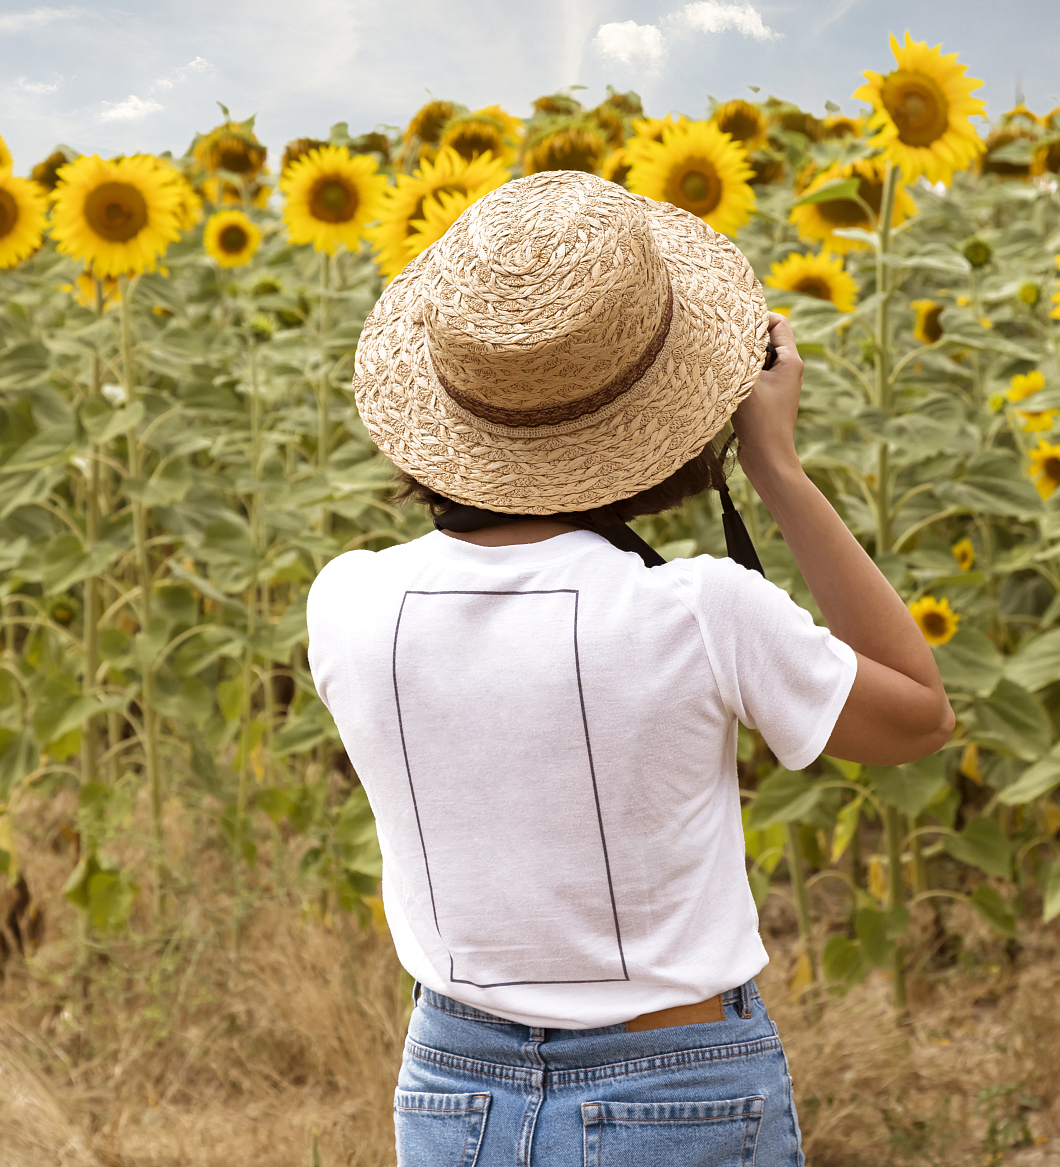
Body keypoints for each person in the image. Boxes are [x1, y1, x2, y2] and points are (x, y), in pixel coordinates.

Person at [308, 169, 954, 1166]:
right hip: (674, 1086)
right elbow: (915, 715)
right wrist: (774, 465)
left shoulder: (346, 600)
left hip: (450, 1088)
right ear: (670, 417)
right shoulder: (698, 609)